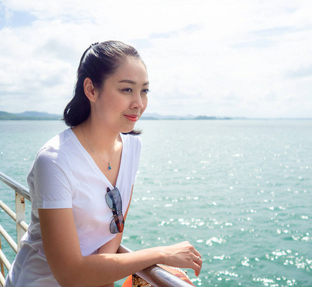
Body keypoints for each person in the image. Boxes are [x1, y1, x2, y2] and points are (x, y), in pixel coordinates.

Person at [5, 40, 202, 287]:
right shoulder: (55, 161)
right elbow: (70, 275)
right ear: (91, 90)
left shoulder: (131, 147)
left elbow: (114, 228)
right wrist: (160, 254)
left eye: (144, 91)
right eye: (127, 90)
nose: (139, 103)